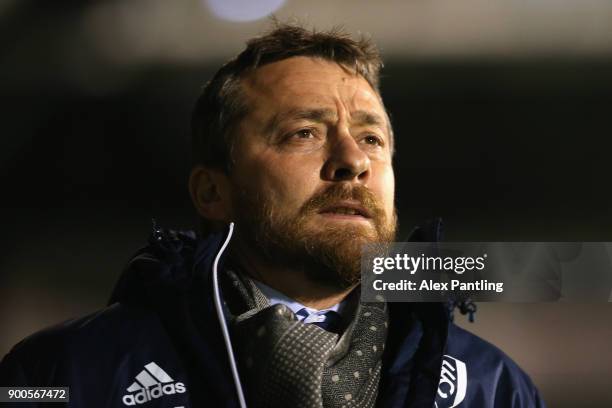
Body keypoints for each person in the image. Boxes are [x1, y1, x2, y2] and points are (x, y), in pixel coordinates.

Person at [0, 23, 545, 408]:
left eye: (372, 138)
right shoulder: (62, 374)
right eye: (303, 134)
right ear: (213, 192)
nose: (353, 162)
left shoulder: (493, 388)